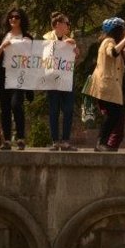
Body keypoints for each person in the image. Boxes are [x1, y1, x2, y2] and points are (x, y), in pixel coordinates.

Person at [0, 7, 35, 150]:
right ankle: (7, 140)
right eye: (11, 17)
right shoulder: (3, 36)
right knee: (5, 108)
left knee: (16, 105)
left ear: (22, 20)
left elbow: (34, 59)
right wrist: (2, 46)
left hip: (20, 76)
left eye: (16, 17)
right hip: (3, 76)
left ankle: (20, 137)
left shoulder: (27, 38)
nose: (13, 19)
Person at [89, 17, 125, 152]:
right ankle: (101, 142)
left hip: (110, 87)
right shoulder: (108, 41)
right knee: (113, 114)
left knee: (115, 115)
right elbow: (113, 52)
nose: (124, 30)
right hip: (106, 86)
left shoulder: (112, 42)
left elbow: (122, 59)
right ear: (117, 30)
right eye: (122, 29)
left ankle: (102, 142)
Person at [43, 12, 80, 151]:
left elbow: (72, 59)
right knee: (54, 110)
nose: (68, 26)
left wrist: (75, 51)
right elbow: (46, 54)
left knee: (68, 109)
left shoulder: (69, 40)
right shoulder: (46, 38)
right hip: (52, 80)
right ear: (58, 24)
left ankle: (65, 140)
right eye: (67, 23)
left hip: (65, 80)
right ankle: (55, 141)